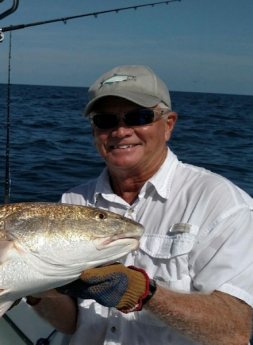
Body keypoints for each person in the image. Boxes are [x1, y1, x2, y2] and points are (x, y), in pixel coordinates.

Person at [25, 65, 253, 344]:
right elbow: (69, 323)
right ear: (94, 131)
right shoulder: (72, 202)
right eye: (106, 120)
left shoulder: (220, 202)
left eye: (138, 117)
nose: (121, 131)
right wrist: (32, 288)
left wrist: (145, 293)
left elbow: (234, 331)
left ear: (168, 124)